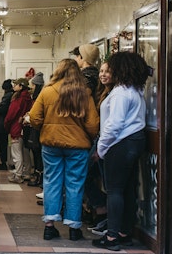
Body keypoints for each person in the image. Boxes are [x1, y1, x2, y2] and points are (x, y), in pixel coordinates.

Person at [29, 58, 100, 242]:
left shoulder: (47, 91)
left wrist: (47, 128)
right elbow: (93, 125)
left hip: (51, 145)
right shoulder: (84, 94)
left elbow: (35, 118)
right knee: (75, 185)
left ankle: (49, 226)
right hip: (78, 147)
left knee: (52, 182)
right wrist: (87, 137)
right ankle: (74, 228)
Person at [92, 52, 149, 251]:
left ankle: (112, 237)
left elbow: (114, 125)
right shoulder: (135, 90)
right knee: (128, 189)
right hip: (136, 141)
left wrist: (101, 148)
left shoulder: (120, 93)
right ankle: (124, 232)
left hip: (120, 143)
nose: (110, 72)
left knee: (114, 191)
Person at [86, 62, 114, 236]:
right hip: (99, 140)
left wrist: (100, 147)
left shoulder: (115, 94)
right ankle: (101, 209)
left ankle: (104, 211)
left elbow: (113, 124)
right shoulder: (102, 92)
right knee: (89, 177)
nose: (103, 75)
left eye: (107, 72)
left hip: (104, 142)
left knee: (106, 182)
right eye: (101, 71)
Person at [5, 78, 34, 183]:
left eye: (16, 84)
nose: (14, 86)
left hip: (16, 128)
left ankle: (18, 175)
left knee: (16, 153)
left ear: (21, 86)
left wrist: (6, 124)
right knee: (25, 152)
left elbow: (11, 115)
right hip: (25, 128)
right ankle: (26, 173)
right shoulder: (29, 98)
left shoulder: (18, 99)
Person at [25, 72, 45, 187]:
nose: (30, 88)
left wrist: (30, 118)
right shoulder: (35, 97)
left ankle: (40, 178)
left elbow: (37, 115)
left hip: (38, 130)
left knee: (39, 156)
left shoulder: (40, 97)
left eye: (32, 86)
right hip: (37, 129)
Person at [0, 79, 14, 170]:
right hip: (6, 124)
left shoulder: (7, 96)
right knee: (6, 144)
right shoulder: (12, 95)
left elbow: (2, 109)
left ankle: (4, 162)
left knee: (2, 143)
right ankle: (8, 161)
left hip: (2, 123)